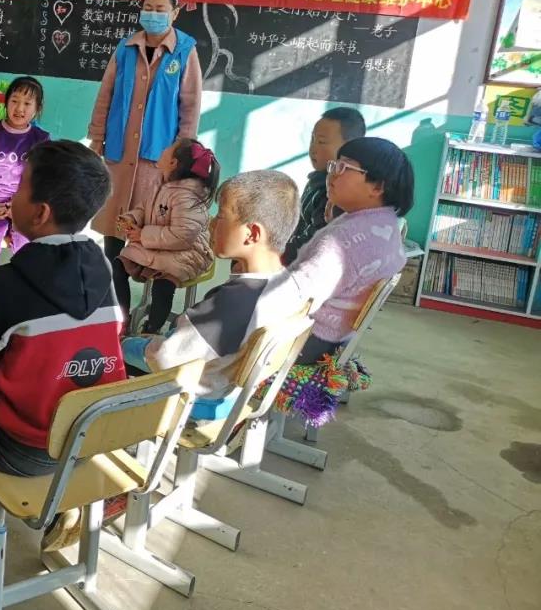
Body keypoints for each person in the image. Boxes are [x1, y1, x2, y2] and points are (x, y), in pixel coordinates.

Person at [0, 140, 124, 583]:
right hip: (87, 439)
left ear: (39, 213)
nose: (11, 195)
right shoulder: (104, 269)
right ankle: (63, 507)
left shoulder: (8, 283)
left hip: (21, 448)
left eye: (19, 187)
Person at [133, 171, 303, 400]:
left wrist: (130, 345)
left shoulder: (235, 302)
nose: (211, 223)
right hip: (231, 395)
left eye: (221, 215)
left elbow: (165, 358)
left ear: (252, 234)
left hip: (193, 402)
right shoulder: (290, 287)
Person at [87, 0, 203, 272]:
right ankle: (114, 281)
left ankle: (137, 281)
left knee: (148, 223)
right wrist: (97, 137)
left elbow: (190, 106)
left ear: (175, 13)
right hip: (120, 148)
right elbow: (105, 94)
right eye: (148, 8)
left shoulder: (184, 51)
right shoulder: (126, 48)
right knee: (114, 221)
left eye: (160, 9)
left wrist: (182, 154)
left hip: (158, 156)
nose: (153, 14)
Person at [281, 137, 413, 365]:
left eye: (344, 167)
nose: (332, 174)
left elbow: (297, 293)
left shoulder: (342, 240)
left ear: (377, 186)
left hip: (304, 339)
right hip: (336, 339)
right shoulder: (389, 225)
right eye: (334, 165)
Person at [115, 138, 218, 334]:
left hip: (188, 252)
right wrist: (131, 219)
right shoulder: (160, 184)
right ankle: (122, 319)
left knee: (164, 284)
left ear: (173, 163)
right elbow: (143, 209)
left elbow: (183, 235)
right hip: (157, 244)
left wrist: (142, 235)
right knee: (118, 265)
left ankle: (151, 330)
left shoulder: (187, 195)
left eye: (168, 148)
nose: (163, 148)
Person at [0, 76, 50, 318]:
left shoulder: (41, 139)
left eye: (27, 103)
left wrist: (21, 205)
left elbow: (42, 180)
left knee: (30, 246)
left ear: (37, 109)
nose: (19, 108)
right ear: (6, 102)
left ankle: (23, 306)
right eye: (14, 100)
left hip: (25, 203)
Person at [283, 107, 367, 264]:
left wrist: (275, 255)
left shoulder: (338, 194)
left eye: (321, 142)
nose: (313, 148)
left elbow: (315, 242)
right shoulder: (316, 179)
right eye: (312, 139)